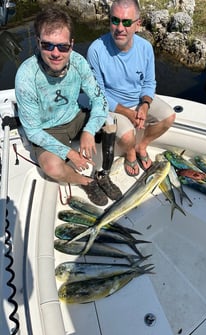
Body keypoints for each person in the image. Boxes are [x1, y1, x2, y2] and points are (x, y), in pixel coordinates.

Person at [15, 7, 122, 206]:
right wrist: (69, 153)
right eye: (48, 45)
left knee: (111, 123)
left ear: (71, 45)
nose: (56, 53)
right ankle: (86, 181)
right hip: (48, 129)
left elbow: (101, 101)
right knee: (52, 167)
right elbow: (33, 131)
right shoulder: (26, 76)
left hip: (75, 117)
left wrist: (89, 130)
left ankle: (103, 174)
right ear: (38, 43)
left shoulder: (79, 63)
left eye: (63, 47)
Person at [87, 0, 176, 176]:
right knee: (127, 135)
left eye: (127, 22)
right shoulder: (96, 50)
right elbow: (98, 95)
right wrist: (128, 113)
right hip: (110, 105)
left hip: (136, 100)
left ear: (138, 24)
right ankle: (129, 153)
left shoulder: (146, 48)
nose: (120, 27)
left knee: (169, 117)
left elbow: (149, 83)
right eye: (115, 20)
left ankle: (141, 146)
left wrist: (144, 105)